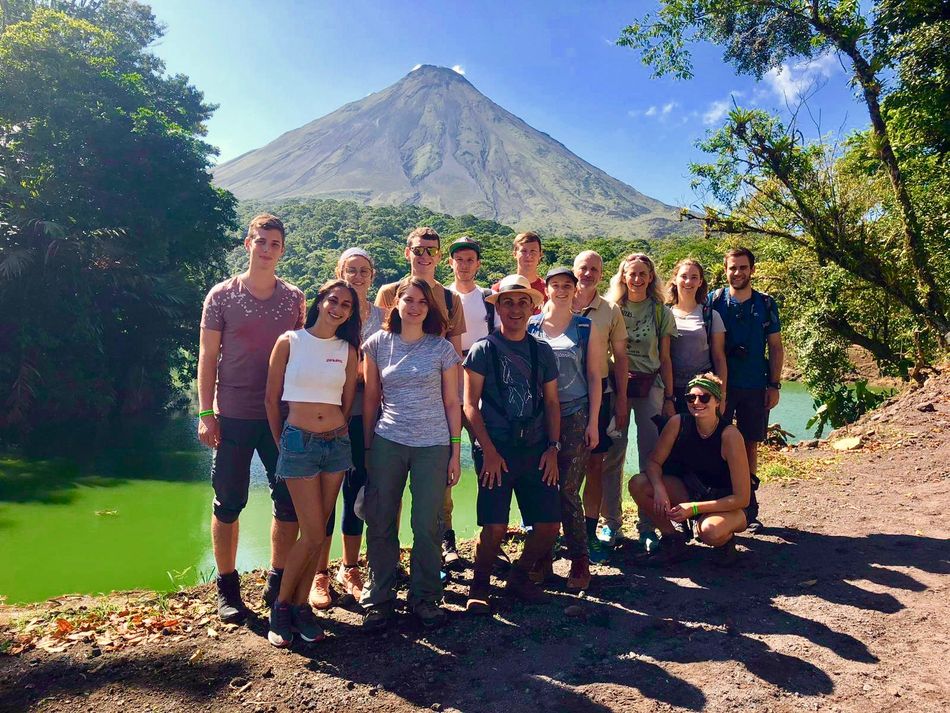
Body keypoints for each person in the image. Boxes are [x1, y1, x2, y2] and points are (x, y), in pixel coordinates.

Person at [197, 213, 306, 622]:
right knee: (228, 502)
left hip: (281, 416)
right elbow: (208, 358)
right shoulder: (221, 296)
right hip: (234, 414)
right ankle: (227, 588)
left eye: (275, 243)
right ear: (248, 244)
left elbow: (301, 354)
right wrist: (206, 412)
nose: (267, 249)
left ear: (282, 249)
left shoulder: (294, 297)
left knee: (289, 501)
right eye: (261, 241)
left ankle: (277, 582)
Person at [361, 279, 462, 630]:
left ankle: (426, 597)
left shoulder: (442, 349)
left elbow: (453, 402)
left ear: (429, 307)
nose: (414, 306)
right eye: (408, 299)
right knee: (381, 520)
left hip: (433, 446)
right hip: (388, 441)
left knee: (428, 524)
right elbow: (372, 398)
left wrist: (455, 450)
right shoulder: (376, 344)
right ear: (396, 304)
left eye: (422, 301)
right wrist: (368, 448)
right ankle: (380, 598)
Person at [263, 280, 360, 646]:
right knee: (314, 532)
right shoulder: (289, 341)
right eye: (333, 300)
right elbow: (272, 400)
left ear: (351, 313)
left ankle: (301, 608)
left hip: (336, 444)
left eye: (346, 305)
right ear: (320, 302)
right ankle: (281, 606)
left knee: (317, 531)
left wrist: (332, 431)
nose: (338, 308)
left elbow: (346, 403)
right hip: (298, 443)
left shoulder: (348, 349)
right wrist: (283, 444)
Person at [462, 275, 561, 614]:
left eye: (522, 302)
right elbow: (469, 405)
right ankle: (480, 584)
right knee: (495, 526)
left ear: (532, 307)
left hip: (536, 447)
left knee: (548, 526)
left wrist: (553, 448)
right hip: (497, 448)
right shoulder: (482, 350)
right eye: (508, 302)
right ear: (498, 307)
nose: (515, 309)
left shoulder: (542, 350)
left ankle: (519, 577)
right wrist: (487, 450)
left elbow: (551, 403)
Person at [307, 248, 385, 609]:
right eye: (350, 270)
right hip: (327, 415)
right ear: (339, 272)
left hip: (367, 417)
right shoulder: (330, 310)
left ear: (372, 276)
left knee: (356, 494)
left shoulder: (385, 317)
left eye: (364, 271)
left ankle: (350, 567)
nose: (357, 277)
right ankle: (318, 574)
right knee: (324, 494)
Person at [527, 267, 603, 590]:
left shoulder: (585, 327)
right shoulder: (532, 325)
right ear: (546, 289)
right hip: (538, 417)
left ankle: (579, 560)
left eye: (566, 286)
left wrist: (595, 421)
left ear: (575, 290)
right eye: (555, 285)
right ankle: (542, 557)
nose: (560, 290)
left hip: (575, 414)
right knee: (539, 488)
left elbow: (597, 376)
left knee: (568, 490)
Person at [628, 373, 753, 567]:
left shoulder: (730, 436)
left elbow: (742, 498)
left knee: (710, 531)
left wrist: (694, 508)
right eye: (691, 398)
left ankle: (726, 542)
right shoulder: (678, 423)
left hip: (729, 504)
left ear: (717, 402)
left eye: (704, 397)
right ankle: (672, 540)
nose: (697, 402)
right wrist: (659, 489)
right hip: (693, 492)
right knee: (638, 484)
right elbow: (653, 462)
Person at [708, 247, 783, 533]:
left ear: (752, 269)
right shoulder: (714, 301)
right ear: (725, 270)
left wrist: (774, 384)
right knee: (718, 445)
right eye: (732, 268)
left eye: (743, 267)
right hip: (720, 386)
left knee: (750, 444)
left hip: (754, 383)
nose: (737, 273)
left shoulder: (766, 303)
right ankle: (719, 501)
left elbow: (775, 346)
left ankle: (749, 505)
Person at [606, 253, 677, 553]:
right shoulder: (611, 309)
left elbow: (665, 358)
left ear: (651, 278)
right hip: (615, 387)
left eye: (642, 274)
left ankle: (648, 526)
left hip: (650, 387)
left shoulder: (660, 312)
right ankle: (611, 523)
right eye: (631, 273)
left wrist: (670, 398)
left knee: (650, 457)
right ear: (622, 276)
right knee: (613, 455)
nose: (636, 279)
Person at [571, 251, 629, 559]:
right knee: (562, 467)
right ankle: (560, 531)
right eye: (583, 268)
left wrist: (621, 398)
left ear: (602, 273)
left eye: (594, 268)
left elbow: (621, 357)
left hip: (601, 396)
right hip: (564, 398)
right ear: (574, 270)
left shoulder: (610, 310)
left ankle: (589, 532)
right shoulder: (557, 302)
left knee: (595, 465)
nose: (588, 273)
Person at [444, 236, 494, 566]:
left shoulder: (489, 299)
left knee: (486, 462)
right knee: (443, 463)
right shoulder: (440, 297)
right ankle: (446, 541)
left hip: (482, 389)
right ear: (451, 263)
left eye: (470, 260)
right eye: (459, 259)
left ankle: (489, 538)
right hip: (445, 387)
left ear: (478, 264)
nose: (464, 265)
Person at [375, 226, 466, 355]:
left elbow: (455, 353)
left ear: (439, 256)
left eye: (432, 251)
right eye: (418, 250)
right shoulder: (389, 293)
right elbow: (378, 345)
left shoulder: (451, 298)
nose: (425, 256)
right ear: (407, 253)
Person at [667, 258, 728, 412]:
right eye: (683, 276)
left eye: (694, 277)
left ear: (700, 282)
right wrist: (666, 397)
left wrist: (722, 395)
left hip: (702, 391)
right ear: (675, 279)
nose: (688, 281)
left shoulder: (711, 316)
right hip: (671, 389)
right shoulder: (664, 314)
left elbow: (719, 358)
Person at [491, 231, 547, 313]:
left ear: (540, 254)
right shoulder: (499, 289)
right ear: (514, 254)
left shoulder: (548, 290)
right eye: (524, 251)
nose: (529, 255)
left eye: (533, 251)